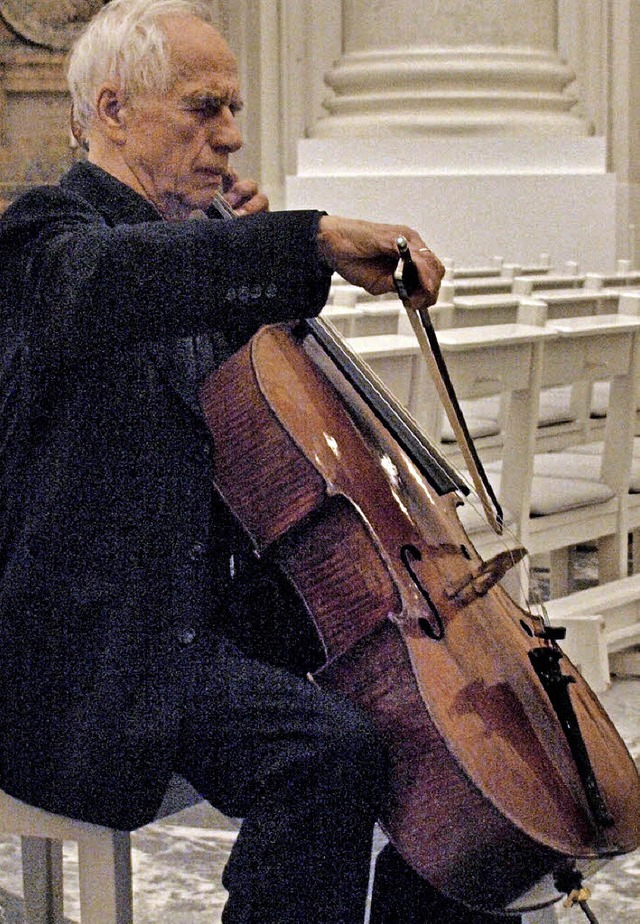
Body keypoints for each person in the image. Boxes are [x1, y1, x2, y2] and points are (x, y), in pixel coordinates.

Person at [0, 1, 522, 921]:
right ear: (114, 110)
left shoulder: (191, 256)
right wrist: (298, 241)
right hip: (91, 648)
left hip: (202, 618)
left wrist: (251, 282)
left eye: (235, 110)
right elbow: (111, 284)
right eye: (205, 109)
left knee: (440, 735)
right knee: (326, 755)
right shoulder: (45, 238)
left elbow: (254, 428)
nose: (232, 138)